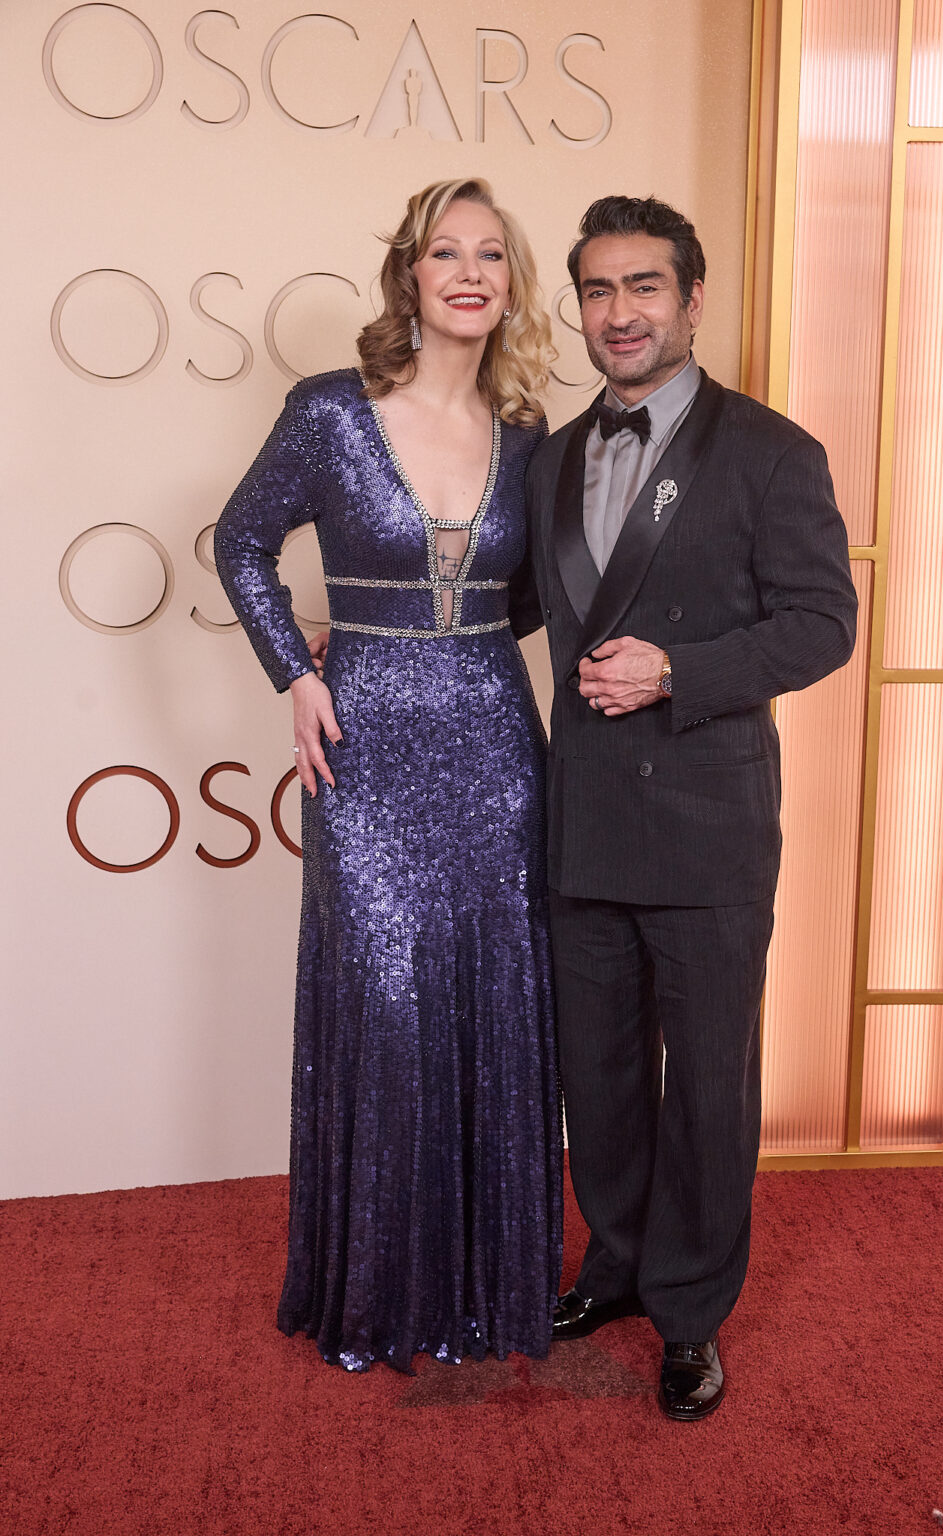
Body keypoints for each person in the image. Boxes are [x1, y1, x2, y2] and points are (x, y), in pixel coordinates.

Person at [214, 179, 562, 1373]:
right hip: (360, 745)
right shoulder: (328, 412)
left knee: (492, 1000)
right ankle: (376, 1293)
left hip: (494, 746)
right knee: (388, 999)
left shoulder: (529, 436)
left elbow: (526, 601)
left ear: (510, 285)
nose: (468, 273)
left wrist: (436, 632)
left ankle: (482, 1288)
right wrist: (297, 673)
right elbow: (240, 539)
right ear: (407, 273)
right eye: (444, 252)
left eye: (492, 257)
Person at [523, 196, 857, 1419]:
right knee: (597, 1079)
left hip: (709, 829)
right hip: (582, 821)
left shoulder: (771, 451)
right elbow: (504, 601)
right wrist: (370, 626)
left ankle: (690, 1312)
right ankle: (612, 1266)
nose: (620, 313)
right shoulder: (551, 454)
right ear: (579, 307)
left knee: (705, 1083)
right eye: (599, 291)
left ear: (691, 299)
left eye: (644, 287)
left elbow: (823, 623)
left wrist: (679, 670)